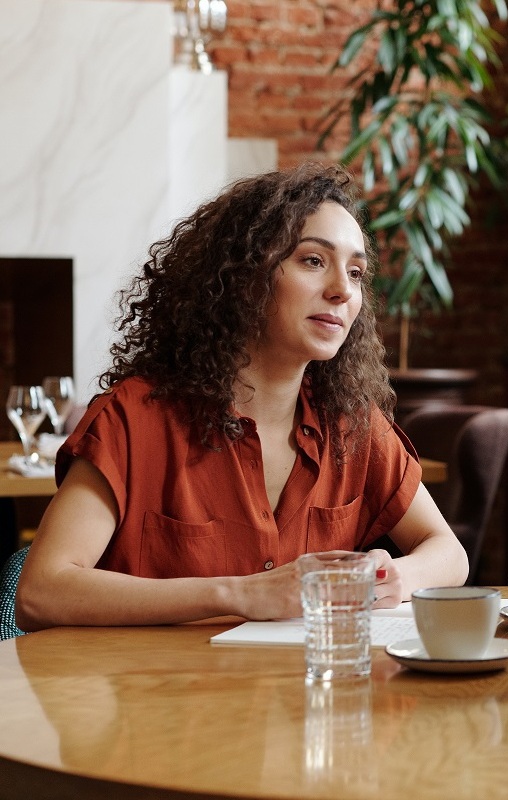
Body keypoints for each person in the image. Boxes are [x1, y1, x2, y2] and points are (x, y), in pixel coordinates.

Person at [15, 163, 468, 630]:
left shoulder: (350, 423)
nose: (341, 291)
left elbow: (449, 554)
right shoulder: (135, 418)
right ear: (244, 275)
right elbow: (41, 591)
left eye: (356, 273)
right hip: (156, 696)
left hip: (306, 693)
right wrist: (239, 593)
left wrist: (398, 575)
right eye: (313, 261)